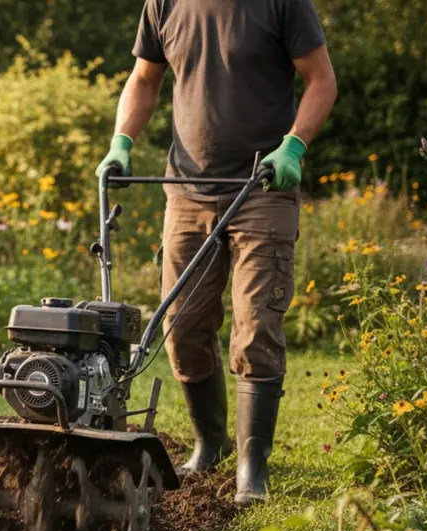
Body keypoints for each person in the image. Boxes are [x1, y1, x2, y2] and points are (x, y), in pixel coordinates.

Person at [97, 0, 336, 505]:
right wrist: (122, 140)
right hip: (186, 190)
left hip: (262, 187)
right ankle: (211, 442)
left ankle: (252, 464)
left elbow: (320, 80)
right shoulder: (163, 4)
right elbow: (144, 79)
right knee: (181, 329)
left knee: (257, 328)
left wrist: (294, 145)